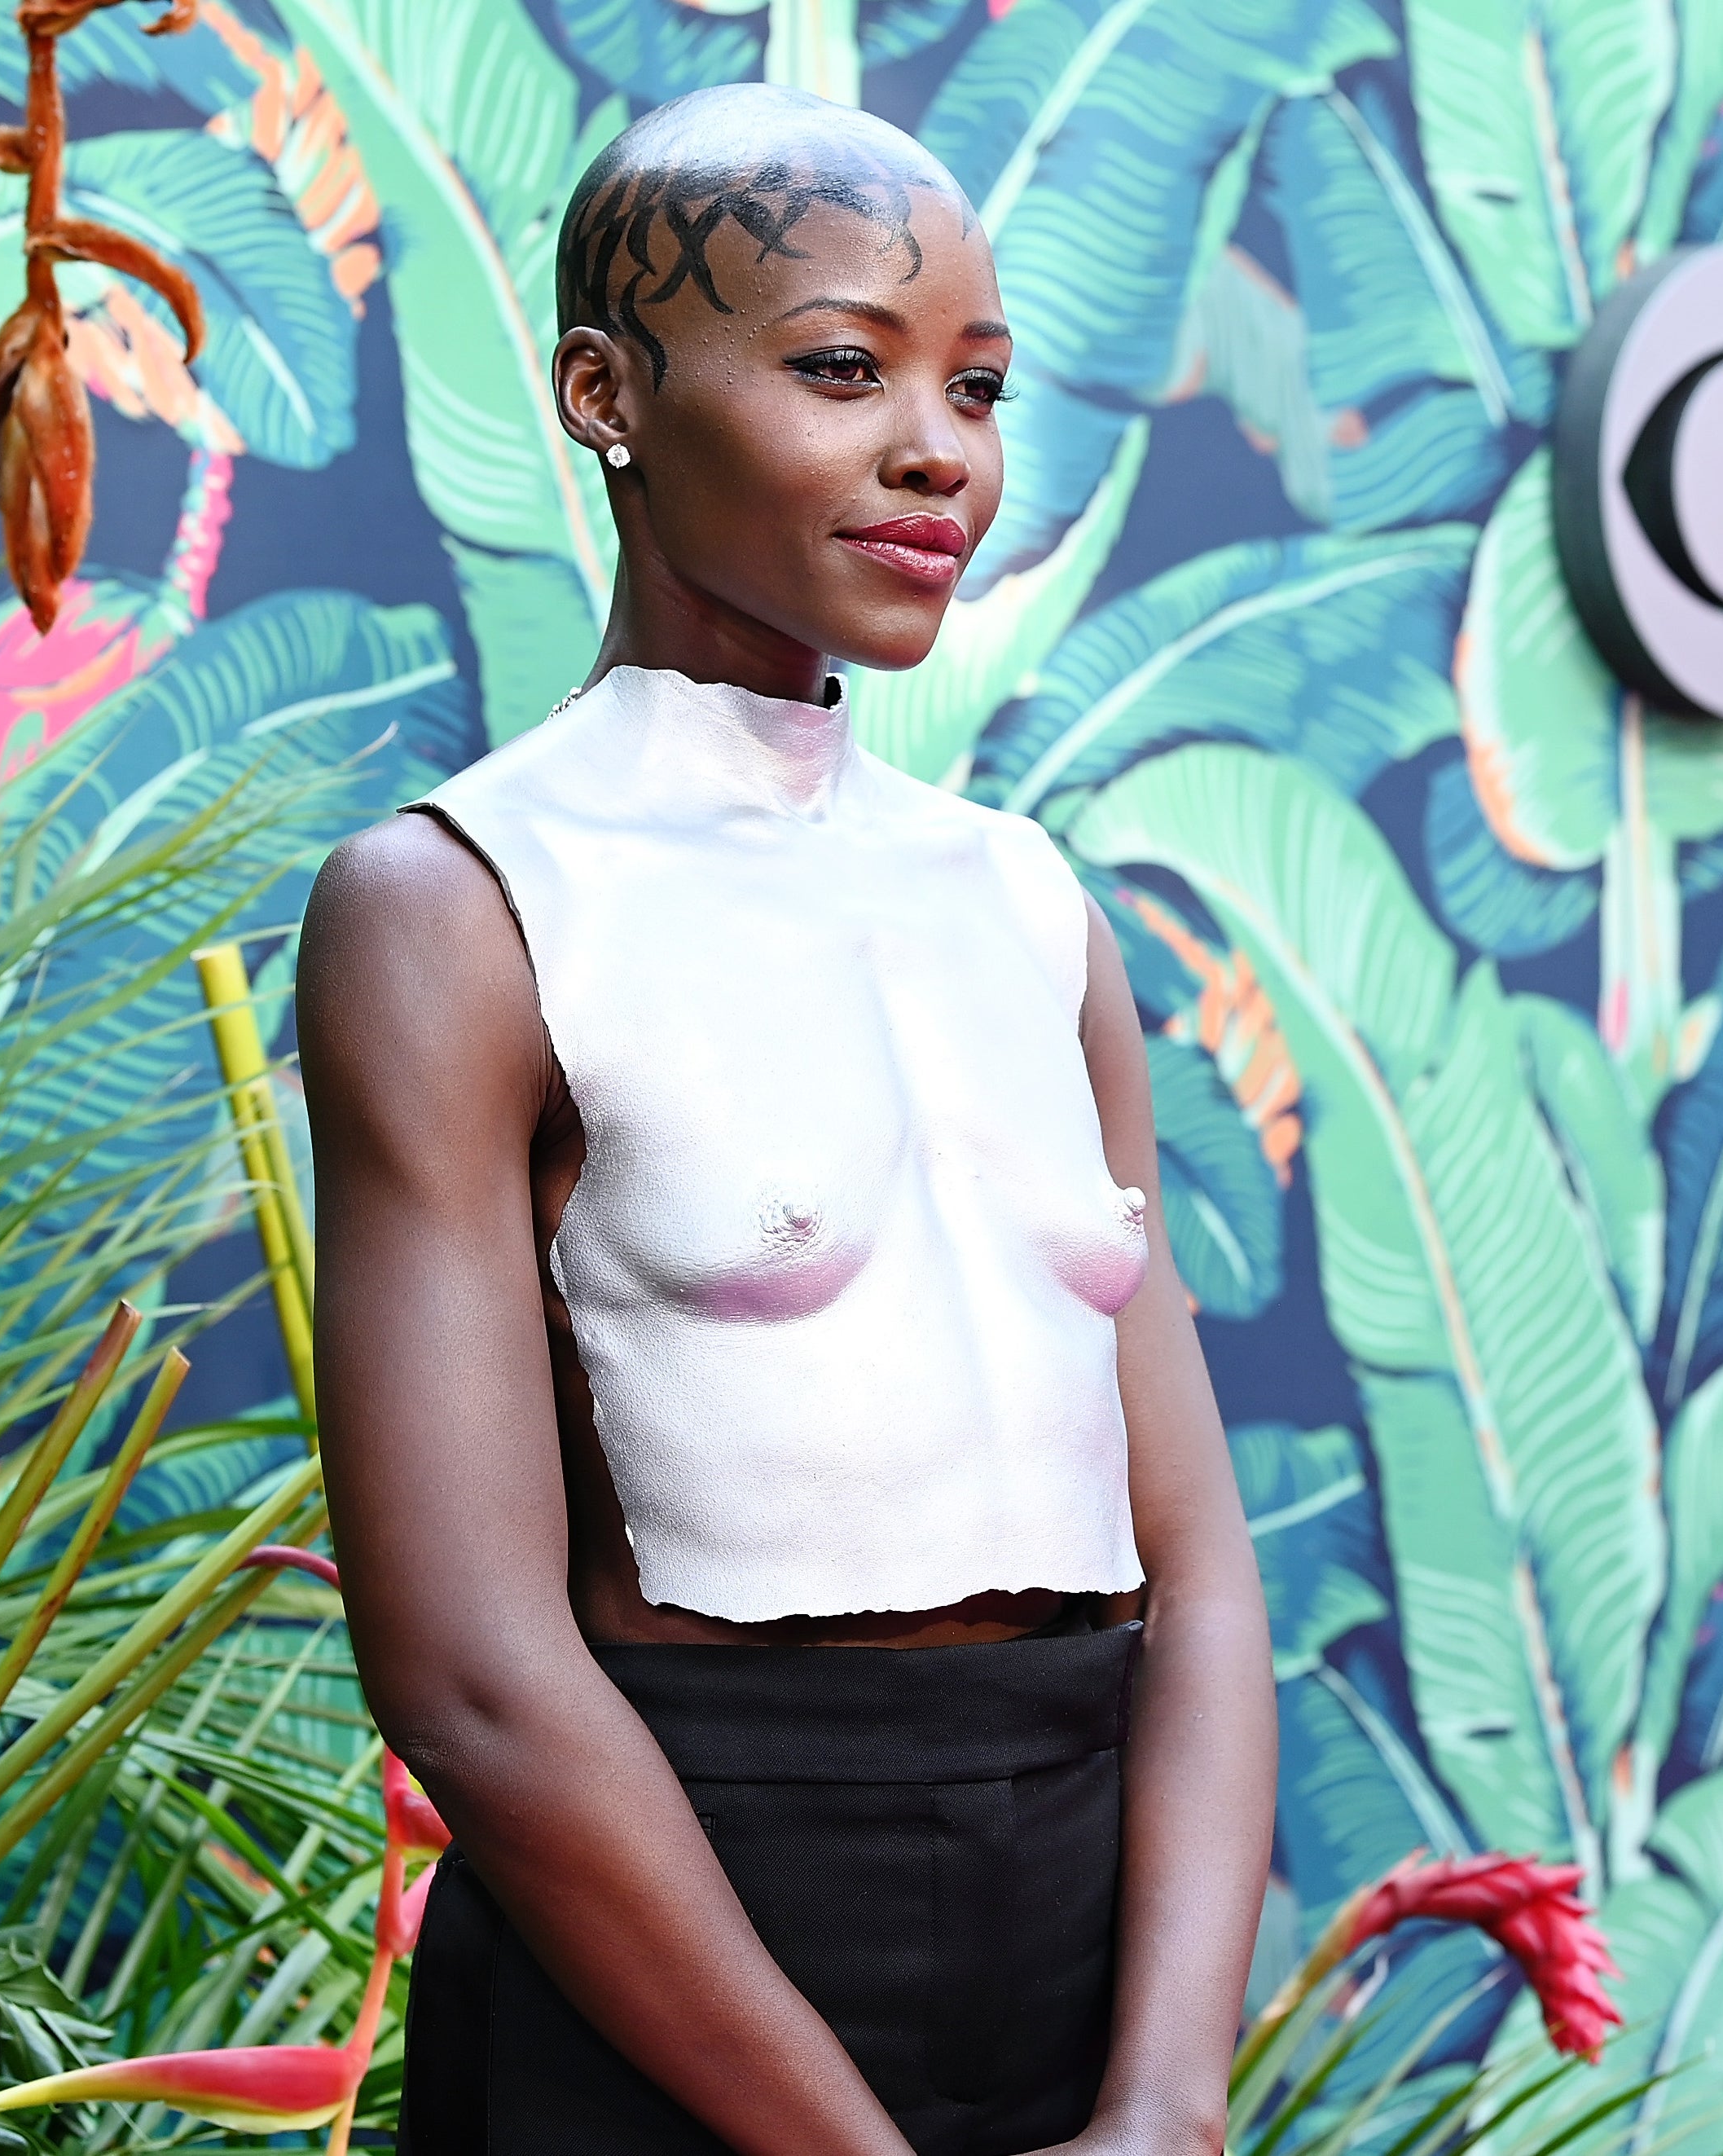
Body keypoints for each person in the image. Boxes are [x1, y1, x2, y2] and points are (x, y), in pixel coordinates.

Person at [296, 81, 1276, 2156]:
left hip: (1092, 1922)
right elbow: (470, 1672)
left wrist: (1174, 2108)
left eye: (979, 388)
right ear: (605, 392)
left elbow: (1194, 1577)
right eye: (844, 367)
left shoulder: (1029, 907)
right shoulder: (458, 907)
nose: (942, 450)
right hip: (680, 1937)